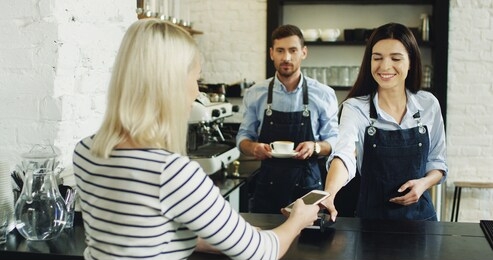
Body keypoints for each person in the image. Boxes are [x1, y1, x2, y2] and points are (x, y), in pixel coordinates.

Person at [73, 18, 320, 260]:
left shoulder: (85, 151)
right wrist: (298, 219)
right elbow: (263, 252)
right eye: (196, 78)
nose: (197, 91)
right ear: (171, 83)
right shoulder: (172, 172)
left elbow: (144, 238)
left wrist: (227, 237)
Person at [322, 22, 448, 222]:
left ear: (412, 62)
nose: (385, 66)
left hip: (421, 221)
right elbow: (344, 156)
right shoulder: (355, 108)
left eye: (396, 58)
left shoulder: (428, 104)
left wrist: (423, 183)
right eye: (377, 58)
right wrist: (329, 193)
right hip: (370, 222)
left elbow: (438, 162)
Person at [236, 24, 339, 214]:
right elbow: (243, 137)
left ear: (304, 52)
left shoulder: (324, 94)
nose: (286, 58)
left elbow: (334, 140)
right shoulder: (255, 93)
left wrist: (315, 147)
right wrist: (253, 148)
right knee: (265, 241)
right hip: (267, 188)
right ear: (271, 53)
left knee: (309, 243)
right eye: (280, 51)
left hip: (308, 190)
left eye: (293, 50)